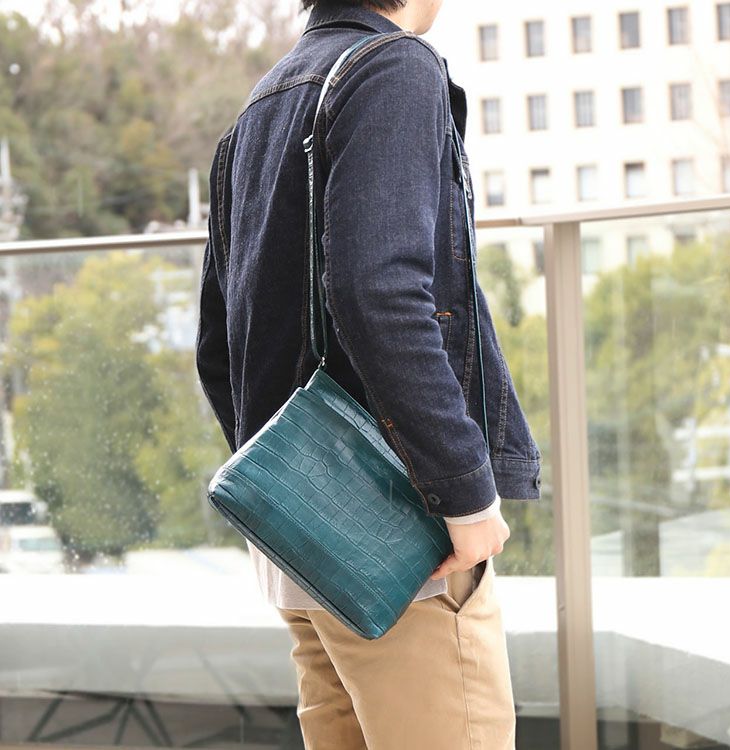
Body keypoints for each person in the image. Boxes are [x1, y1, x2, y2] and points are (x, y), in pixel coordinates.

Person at [196, 0, 543, 747]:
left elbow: (219, 348)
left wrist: (290, 492)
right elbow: (379, 291)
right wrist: (465, 491)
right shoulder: (393, 69)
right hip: (402, 541)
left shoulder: (259, 109)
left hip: (306, 553)